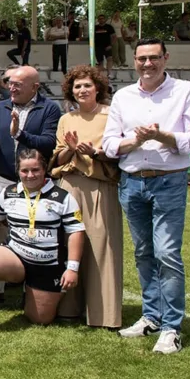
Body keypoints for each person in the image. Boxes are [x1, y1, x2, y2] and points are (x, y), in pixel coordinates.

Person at [103, 38, 190, 354]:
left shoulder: (185, 91)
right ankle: (151, 315)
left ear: (166, 58)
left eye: (154, 58)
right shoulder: (123, 96)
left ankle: (171, 327)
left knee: (167, 253)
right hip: (132, 182)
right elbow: (110, 143)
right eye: (142, 59)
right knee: (144, 252)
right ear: (134, 60)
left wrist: (161, 135)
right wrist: (134, 142)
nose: (148, 64)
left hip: (169, 182)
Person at [0, 149, 85, 335]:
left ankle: (29, 292)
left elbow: (76, 232)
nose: (30, 175)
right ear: (18, 171)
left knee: (40, 319)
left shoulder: (63, 197)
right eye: (24, 171)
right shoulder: (8, 193)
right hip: (16, 257)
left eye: (35, 170)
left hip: (47, 264)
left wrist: (72, 268)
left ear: (44, 169)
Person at [49, 65, 123, 329]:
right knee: (69, 243)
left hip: (101, 185)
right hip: (70, 185)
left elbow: (118, 154)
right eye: (77, 86)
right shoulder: (66, 119)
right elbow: (58, 158)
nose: (82, 90)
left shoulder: (112, 115)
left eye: (87, 85)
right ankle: (69, 308)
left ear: (97, 88)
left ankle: (105, 314)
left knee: (103, 247)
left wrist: (95, 153)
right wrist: (71, 150)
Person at [0, 65, 61, 192]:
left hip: (37, 181)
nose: (11, 88)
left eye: (17, 85)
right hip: (5, 182)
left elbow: (49, 143)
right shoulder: (0, 108)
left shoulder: (49, 108)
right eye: (10, 83)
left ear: (34, 87)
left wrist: (19, 134)